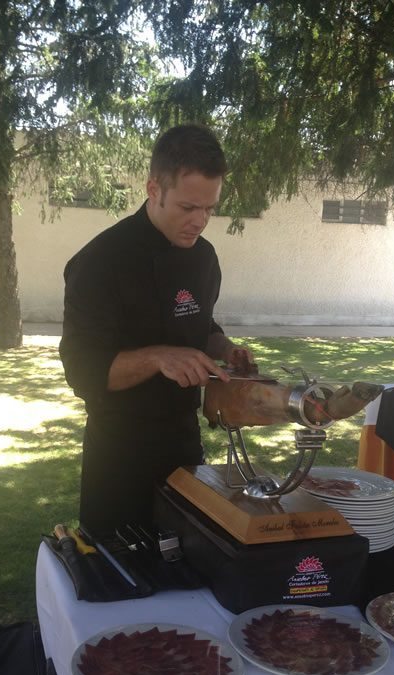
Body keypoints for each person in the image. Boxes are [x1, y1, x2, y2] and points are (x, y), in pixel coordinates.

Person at [59, 123, 252, 534]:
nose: (200, 221)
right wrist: (158, 357)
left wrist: (224, 346)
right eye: (187, 207)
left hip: (185, 444)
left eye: (210, 208)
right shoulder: (99, 263)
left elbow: (200, 324)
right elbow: (82, 371)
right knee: (121, 580)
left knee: (192, 565)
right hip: (119, 456)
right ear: (153, 189)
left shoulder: (204, 259)